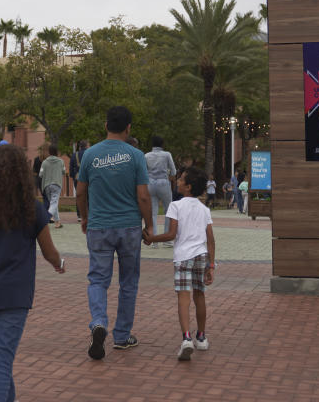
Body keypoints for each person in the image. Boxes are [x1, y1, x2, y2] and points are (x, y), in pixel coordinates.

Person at [0, 144, 66, 402]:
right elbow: (48, 251)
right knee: (1, 358)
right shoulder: (32, 209)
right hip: (15, 294)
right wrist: (58, 263)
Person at [76, 105, 152, 359]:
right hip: (129, 227)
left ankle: (98, 321)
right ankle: (121, 336)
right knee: (128, 282)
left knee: (98, 279)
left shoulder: (89, 155)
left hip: (98, 226)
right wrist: (149, 224)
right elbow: (143, 195)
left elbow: (80, 191)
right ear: (128, 128)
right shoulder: (136, 155)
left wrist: (84, 217)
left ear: (106, 125)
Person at [143, 166, 215, 361]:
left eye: (182, 179)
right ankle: (201, 336)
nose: (178, 181)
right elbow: (210, 239)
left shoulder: (175, 206)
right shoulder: (204, 209)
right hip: (201, 256)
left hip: (183, 257)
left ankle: (186, 338)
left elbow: (171, 235)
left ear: (188, 187)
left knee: (183, 298)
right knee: (199, 296)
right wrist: (211, 265)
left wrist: (151, 239)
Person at [145, 135, 177, 246]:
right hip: (163, 183)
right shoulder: (167, 155)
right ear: (162, 144)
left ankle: (153, 239)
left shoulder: (146, 156)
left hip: (150, 184)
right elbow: (173, 172)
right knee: (168, 210)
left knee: (153, 212)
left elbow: (144, 172)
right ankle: (167, 239)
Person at [38, 144, 66, 228]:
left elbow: (40, 174)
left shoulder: (44, 162)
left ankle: (57, 222)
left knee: (53, 203)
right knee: (54, 203)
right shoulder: (61, 161)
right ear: (56, 152)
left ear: (49, 152)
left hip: (46, 185)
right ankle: (45, 219)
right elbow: (64, 171)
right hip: (56, 184)